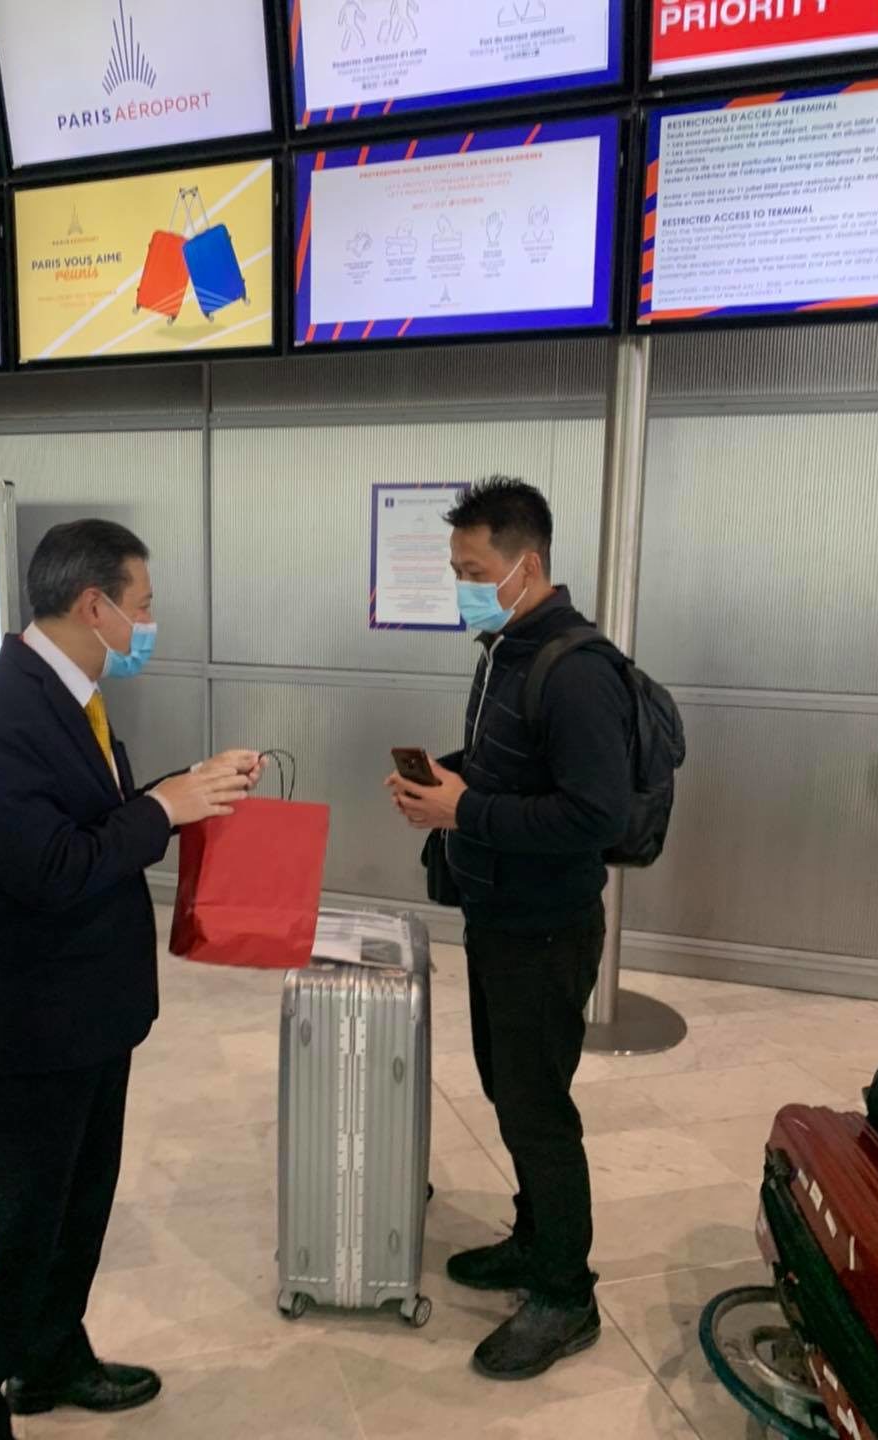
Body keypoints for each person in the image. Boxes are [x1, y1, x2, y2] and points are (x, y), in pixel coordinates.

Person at [0, 520, 261, 1440]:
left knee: (76, 1209)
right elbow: (49, 868)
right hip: (28, 1023)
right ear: (94, 605)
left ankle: (50, 1360)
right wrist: (162, 809)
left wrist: (189, 788)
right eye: (142, 606)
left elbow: (94, 821)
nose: (148, 624)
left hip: (92, 1012)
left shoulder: (75, 696)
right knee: (12, 1231)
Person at [386, 478, 632, 1382]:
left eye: (472, 570)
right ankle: (534, 1242)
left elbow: (595, 815)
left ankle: (566, 1296)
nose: (461, 586)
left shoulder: (577, 670)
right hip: (496, 917)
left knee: (538, 1110)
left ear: (527, 565)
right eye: (455, 569)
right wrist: (446, 779)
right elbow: (511, 769)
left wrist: (466, 809)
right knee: (509, 1091)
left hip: (546, 929)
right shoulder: (506, 653)